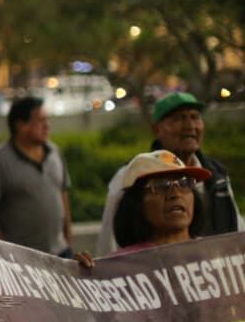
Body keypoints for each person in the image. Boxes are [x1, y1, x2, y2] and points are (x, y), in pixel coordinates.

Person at [95, 91, 240, 256]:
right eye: (178, 119)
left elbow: (237, 228)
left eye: (195, 117)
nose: (190, 126)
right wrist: (108, 268)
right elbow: (110, 241)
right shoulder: (129, 175)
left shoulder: (218, 175)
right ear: (157, 129)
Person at [76, 151, 210, 267]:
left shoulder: (214, 254)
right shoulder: (120, 267)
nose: (175, 193)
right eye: (160, 185)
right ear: (136, 203)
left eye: (184, 183)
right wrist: (79, 275)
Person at [0, 96, 73, 256]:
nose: (47, 126)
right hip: (21, 258)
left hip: (60, 252)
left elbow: (63, 193)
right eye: (41, 121)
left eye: (47, 120)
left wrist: (68, 238)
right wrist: (2, 250)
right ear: (21, 125)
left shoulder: (54, 152)